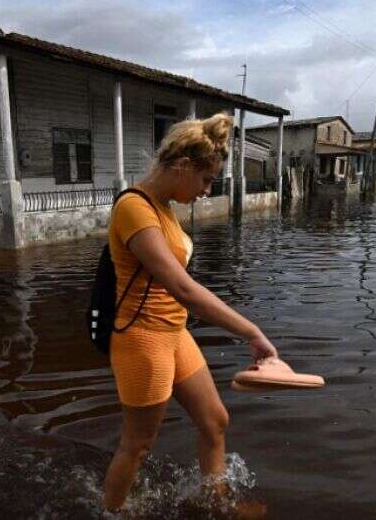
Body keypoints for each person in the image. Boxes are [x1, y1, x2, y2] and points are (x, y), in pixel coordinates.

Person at [102, 112, 278, 512]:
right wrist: (251, 331)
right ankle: (109, 512)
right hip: (142, 339)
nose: (207, 189)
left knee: (215, 421)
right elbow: (182, 288)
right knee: (138, 444)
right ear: (182, 166)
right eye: (205, 179)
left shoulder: (165, 207)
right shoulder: (134, 207)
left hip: (174, 334)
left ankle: (214, 502)